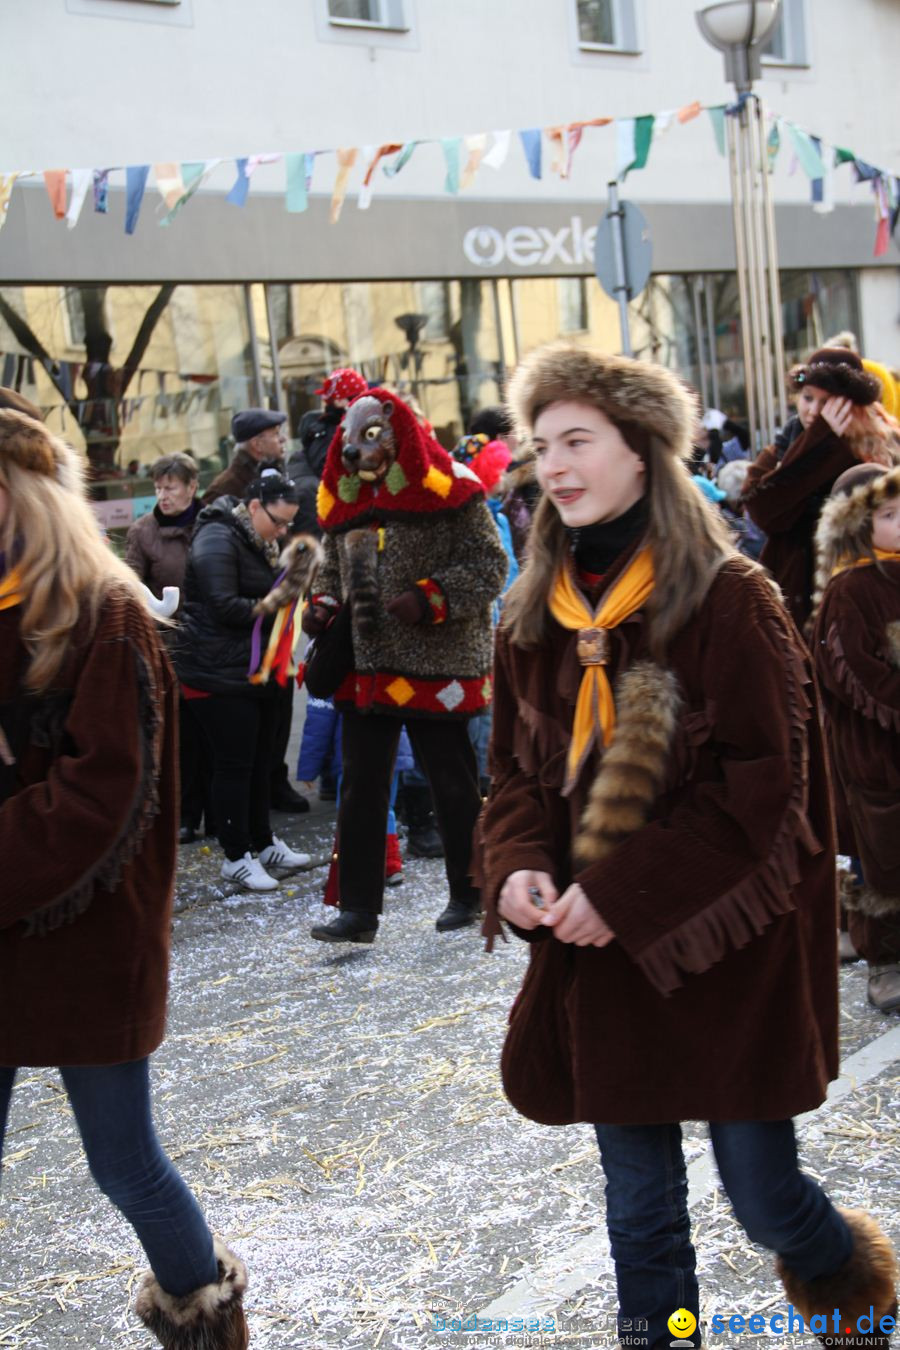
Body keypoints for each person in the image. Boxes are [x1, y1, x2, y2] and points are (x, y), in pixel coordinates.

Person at [479, 344, 898, 1350]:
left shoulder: (730, 598)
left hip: (724, 953)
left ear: (644, 449)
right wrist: (520, 866)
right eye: (544, 447)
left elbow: (765, 794)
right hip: (602, 960)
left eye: (579, 441)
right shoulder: (533, 612)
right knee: (640, 1208)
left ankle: (853, 1287)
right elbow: (516, 777)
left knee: (762, 1197)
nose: (557, 466)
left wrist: (624, 888)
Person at [0, 409, 249, 1349]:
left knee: (123, 1162)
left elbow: (99, 801)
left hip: (86, 945)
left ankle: (205, 1324)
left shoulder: (107, 615)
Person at [305, 388, 508, 943]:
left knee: (452, 782)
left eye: (369, 439)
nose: (355, 454)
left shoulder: (456, 492)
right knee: (361, 786)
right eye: (351, 441)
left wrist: (432, 597)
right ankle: (358, 911)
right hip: (365, 661)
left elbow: (491, 565)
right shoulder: (347, 503)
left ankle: (470, 892)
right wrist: (321, 601)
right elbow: (329, 568)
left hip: (435, 660)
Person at [174, 469, 311, 891]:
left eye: (290, 523)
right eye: (279, 521)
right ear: (254, 507)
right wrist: (279, 603)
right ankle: (236, 855)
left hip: (251, 670)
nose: (284, 530)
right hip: (215, 672)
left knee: (258, 761)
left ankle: (262, 841)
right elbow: (224, 606)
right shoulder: (217, 536)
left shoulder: (258, 538)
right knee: (234, 765)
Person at [812, 463, 900, 1013]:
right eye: (889, 515)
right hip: (875, 757)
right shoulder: (850, 590)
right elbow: (850, 670)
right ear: (855, 525)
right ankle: (884, 959)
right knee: (881, 858)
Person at [742, 348, 898, 630]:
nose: (813, 411)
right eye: (808, 397)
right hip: (791, 595)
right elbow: (762, 511)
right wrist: (814, 443)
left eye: (826, 401)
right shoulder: (783, 446)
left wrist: (827, 445)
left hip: (858, 596)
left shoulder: (881, 450)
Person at [125, 451, 214, 844]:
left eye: (171, 487)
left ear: (192, 487)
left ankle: (221, 812)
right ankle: (185, 814)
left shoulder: (211, 522)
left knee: (218, 732)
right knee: (183, 736)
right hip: (172, 646)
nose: (163, 495)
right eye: (158, 488)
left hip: (214, 640)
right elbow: (131, 587)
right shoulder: (143, 532)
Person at [287, 367, 368, 539]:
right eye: (357, 398)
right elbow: (329, 471)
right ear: (340, 402)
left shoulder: (334, 429)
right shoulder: (330, 434)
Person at [202, 407, 287, 506]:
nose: (283, 439)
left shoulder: (268, 474)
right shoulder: (225, 489)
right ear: (257, 444)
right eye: (276, 434)